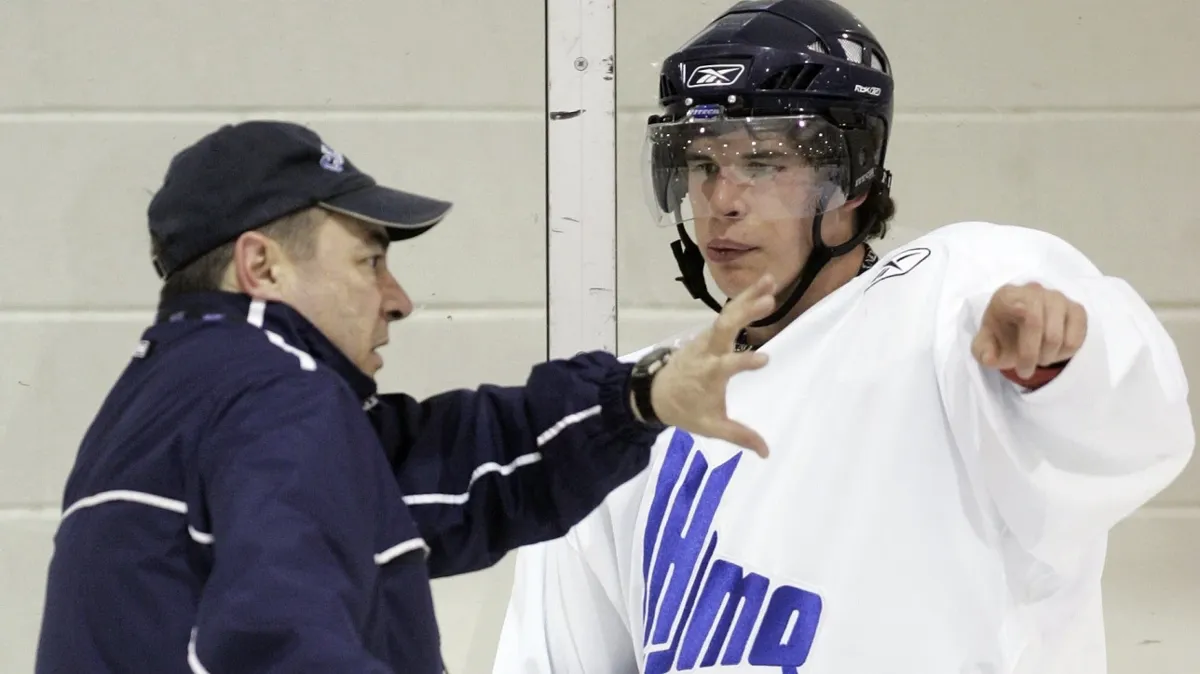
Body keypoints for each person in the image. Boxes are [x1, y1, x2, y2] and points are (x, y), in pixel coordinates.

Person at [491, 1, 1195, 673]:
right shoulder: (635, 404)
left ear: (852, 178)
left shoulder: (950, 302)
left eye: (763, 162)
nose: (722, 200)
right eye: (703, 163)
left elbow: (1137, 430)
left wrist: (1059, 362)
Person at [32, 120, 781, 674]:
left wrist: (638, 397)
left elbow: (449, 471)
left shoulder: (183, 396)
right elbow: (284, 642)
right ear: (261, 264)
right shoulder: (273, 400)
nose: (399, 299)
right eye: (369, 260)